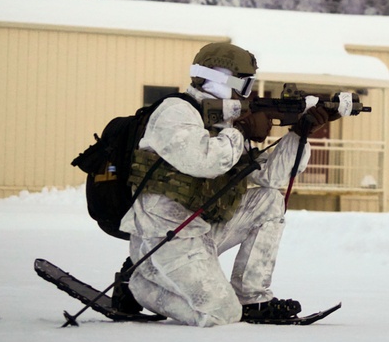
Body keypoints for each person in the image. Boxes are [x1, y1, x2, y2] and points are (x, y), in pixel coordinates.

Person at [115, 42, 333, 326]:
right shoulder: (175, 112)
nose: (247, 94)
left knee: (269, 200)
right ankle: (140, 286)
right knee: (223, 313)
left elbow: (271, 177)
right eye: (244, 84)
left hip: (202, 228)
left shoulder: (226, 123)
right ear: (219, 77)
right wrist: (241, 130)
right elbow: (202, 161)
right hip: (165, 236)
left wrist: (298, 133)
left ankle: (252, 298)